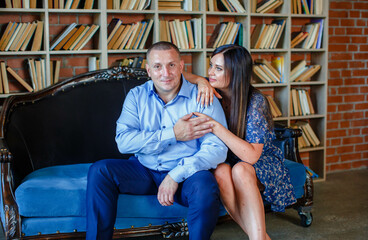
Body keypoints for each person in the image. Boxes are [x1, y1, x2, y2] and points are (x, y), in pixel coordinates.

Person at [85, 41, 228, 240]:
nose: (165, 73)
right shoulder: (136, 96)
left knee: (205, 184)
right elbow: (124, 142)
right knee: (100, 170)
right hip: (143, 170)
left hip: (186, 174)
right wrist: (173, 134)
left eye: (171, 65)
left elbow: (217, 148)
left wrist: (175, 175)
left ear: (181, 66)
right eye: (158, 66)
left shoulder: (202, 97)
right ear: (148, 70)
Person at [186, 44, 297, 240]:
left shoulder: (255, 100)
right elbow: (180, 75)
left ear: (236, 72)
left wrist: (216, 127)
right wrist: (200, 82)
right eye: (211, 65)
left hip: (260, 160)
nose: (210, 72)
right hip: (227, 157)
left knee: (241, 169)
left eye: (218, 69)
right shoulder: (211, 88)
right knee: (221, 171)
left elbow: (252, 156)